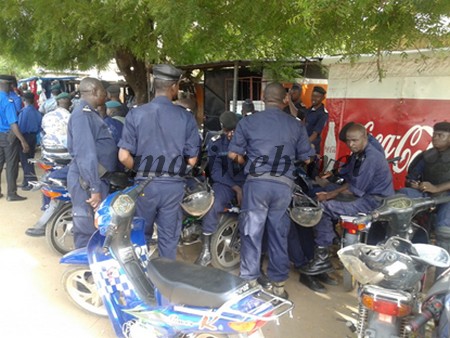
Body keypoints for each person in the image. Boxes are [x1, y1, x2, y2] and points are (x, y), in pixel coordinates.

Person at [228, 82, 314, 298]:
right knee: (279, 233)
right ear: (285, 100)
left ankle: (249, 282)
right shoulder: (296, 125)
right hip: (283, 186)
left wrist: (246, 159)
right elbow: (307, 157)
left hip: (257, 185)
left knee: (252, 232)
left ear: (263, 98)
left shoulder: (248, 122)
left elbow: (233, 155)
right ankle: (278, 285)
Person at [118, 64, 200, 260]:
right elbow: (192, 159)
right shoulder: (186, 118)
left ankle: (141, 281)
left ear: (156, 85)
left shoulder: (135, 114)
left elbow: (123, 156)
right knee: (169, 239)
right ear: (174, 87)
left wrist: (141, 171)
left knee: (140, 235)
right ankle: (163, 285)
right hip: (173, 188)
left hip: (144, 186)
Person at [299, 123, 394, 276]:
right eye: (348, 141)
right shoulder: (359, 154)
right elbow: (349, 178)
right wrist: (331, 183)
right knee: (325, 190)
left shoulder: (371, 158)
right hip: (367, 196)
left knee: (322, 208)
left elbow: (354, 190)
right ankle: (333, 239)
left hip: (374, 202)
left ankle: (322, 257)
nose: (351, 144)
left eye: (355, 140)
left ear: (365, 137)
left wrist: (328, 196)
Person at [67, 77, 118, 248]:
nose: (106, 95)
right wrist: (94, 188)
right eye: (104, 92)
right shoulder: (82, 115)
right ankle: (83, 271)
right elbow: (85, 153)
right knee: (87, 229)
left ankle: (92, 270)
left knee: (95, 227)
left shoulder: (90, 112)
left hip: (94, 178)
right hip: (87, 182)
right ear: (95, 91)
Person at [398, 121, 450, 277]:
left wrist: (436, 188)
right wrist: (416, 185)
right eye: (434, 135)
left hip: (447, 198)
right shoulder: (426, 156)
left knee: (444, 229)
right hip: (426, 195)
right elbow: (410, 178)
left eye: (441, 135)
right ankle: (409, 263)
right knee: (403, 195)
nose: (435, 138)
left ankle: (441, 275)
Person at [195, 111, 246, 266]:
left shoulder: (250, 141)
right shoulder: (216, 143)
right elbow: (216, 172)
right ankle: (206, 251)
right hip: (226, 183)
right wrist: (235, 187)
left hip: (248, 182)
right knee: (213, 204)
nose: (230, 134)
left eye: (234, 130)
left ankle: (250, 248)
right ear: (222, 129)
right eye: (227, 131)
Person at [0, 75, 30, 201]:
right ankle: (11, 194)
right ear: (7, 84)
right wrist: (23, 141)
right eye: (11, 84)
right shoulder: (8, 101)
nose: (13, 87)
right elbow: (13, 124)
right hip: (8, 136)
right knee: (11, 165)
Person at [18, 92, 42, 190]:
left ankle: (31, 182)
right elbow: (40, 127)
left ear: (24, 101)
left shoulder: (24, 112)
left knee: (25, 161)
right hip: (33, 137)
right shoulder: (37, 112)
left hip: (25, 137)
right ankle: (26, 182)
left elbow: (21, 127)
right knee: (29, 159)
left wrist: (21, 140)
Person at [40, 92, 72, 159]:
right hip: (66, 154)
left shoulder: (47, 116)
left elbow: (43, 130)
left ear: (57, 103)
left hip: (47, 152)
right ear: (71, 104)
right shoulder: (72, 118)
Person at [304, 86, 328, 154]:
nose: (314, 98)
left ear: (323, 98)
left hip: (312, 147)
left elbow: (315, 134)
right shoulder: (308, 110)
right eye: (313, 96)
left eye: (317, 97)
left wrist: (303, 145)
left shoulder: (323, 114)